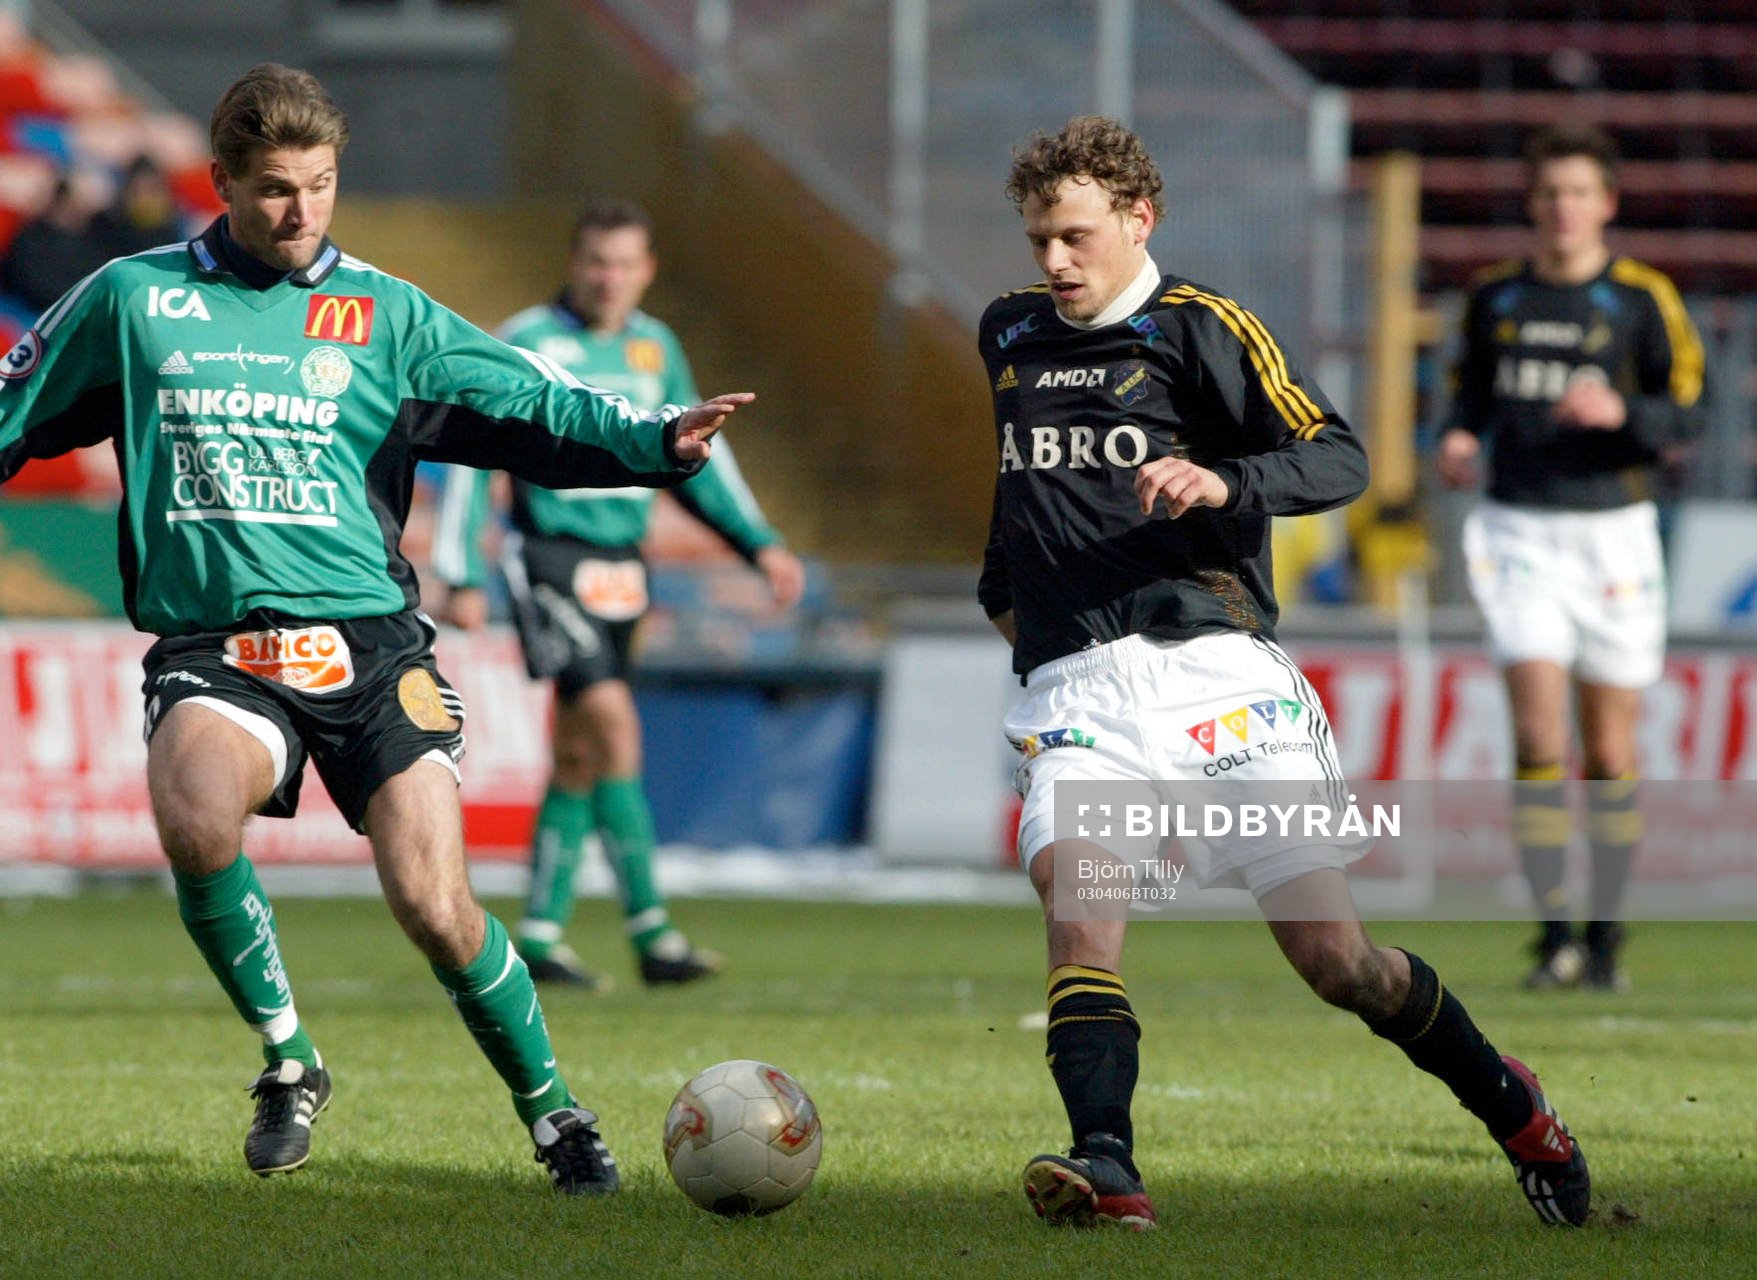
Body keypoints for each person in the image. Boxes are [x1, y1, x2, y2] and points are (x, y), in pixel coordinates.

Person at [0, 63, 752, 1193]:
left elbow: (529, 398)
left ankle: (554, 1114)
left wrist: (653, 440)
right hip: (218, 650)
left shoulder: (387, 314)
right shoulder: (133, 300)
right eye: (272, 189)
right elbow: (13, 410)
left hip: (369, 647)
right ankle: (289, 1056)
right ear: (221, 184)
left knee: (434, 904)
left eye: (320, 185)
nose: (300, 211)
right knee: (196, 814)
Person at [979, 116, 1589, 1230]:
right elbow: (1020, 481)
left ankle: (1515, 1106)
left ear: (1135, 220)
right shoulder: (1009, 333)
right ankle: (1106, 1164)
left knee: (1335, 958)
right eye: (1036, 241)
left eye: (1071, 236)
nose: (1053, 262)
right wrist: (1003, 590)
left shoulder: (1202, 328)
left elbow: (1339, 454)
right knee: (1082, 907)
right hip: (1076, 690)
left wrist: (1221, 483)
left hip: (1217, 678)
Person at [432, 201, 804, 990]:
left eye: (624, 263)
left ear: (647, 270)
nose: (609, 278)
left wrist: (757, 542)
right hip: (550, 556)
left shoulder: (653, 345)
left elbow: (694, 452)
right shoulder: (528, 338)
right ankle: (654, 933)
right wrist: (460, 568)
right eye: (597, 261)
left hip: (624, 563)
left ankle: (537, 932)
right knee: (615, 729)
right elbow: (468, 451)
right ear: (574, 262)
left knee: (576, 755)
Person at [1437, 124, 1704, 992]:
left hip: (1613, 533)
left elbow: (1687, 412)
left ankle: (1605, 938)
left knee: (1609, 752)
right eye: (1550, 191)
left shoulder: (1639, 299)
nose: (1563, 208)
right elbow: (1465, 395)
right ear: (1532, 201)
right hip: (1517, 530)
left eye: (1579, 192)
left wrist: (1621, 414)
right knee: (1538, 737)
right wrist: (1456, 437)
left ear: (1607, 204)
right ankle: (1551, 934)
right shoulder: (1494, 299)